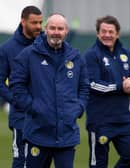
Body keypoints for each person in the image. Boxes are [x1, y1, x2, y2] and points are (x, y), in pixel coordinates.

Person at [10, 13, 89, 168]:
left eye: (60, 28)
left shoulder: (76, 57)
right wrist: (32, 107)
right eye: (52, 28)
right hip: (37, 133)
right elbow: (16, 84)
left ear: (66, 31)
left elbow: (84, 87)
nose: (56, 32)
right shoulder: (29, 54)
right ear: (45, 29)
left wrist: (78, 108)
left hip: (66, 135)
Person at [83, 15, 130, 168]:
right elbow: (93, 84)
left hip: (123, 120)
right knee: (98, 164)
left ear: (117, 34)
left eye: (111, 32)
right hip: (100, 121)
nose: (107, 35)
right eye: (103, 31)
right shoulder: (91, 55)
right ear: (98, 33)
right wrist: (121, 87)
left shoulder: (126, 54)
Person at [0, 6, 43, 168]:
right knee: (21, 162)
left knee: (41, 162)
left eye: (40, 22)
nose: (39, 26)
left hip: (46, 116)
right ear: (23, 21)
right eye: (34, 23)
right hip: (21, 117)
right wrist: (17, 101)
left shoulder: (46, 44)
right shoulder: (7, 49)